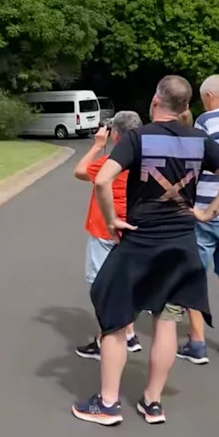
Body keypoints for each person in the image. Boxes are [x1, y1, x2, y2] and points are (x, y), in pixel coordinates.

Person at [72, 75, 219, 427]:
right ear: (186, 106)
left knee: (116, 317)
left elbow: (101, 179)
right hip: (181, 245)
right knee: (166, 322)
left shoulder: (137, 137)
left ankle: (109, 404)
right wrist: (207, 213)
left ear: (156, 101)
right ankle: (152, 402)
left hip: (140, 243)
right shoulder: (199, 139)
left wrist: (112, 219)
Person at [73, 111, 144, 360]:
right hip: (133, 230)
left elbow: (80, 171)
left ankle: (104, 338)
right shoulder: (144, 162)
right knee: (127, 283)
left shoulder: (108, 163)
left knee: (101, 287)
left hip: (104, 229)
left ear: (116, 135)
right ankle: (129, 333)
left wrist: (97, 146)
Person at [178, 74, 219, 364]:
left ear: (210, 96)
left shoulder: (205, 123)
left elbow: (192, 166)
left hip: (204, 211)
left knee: (194, 275)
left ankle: (197, 342)